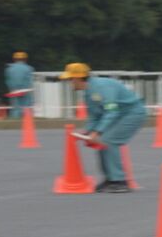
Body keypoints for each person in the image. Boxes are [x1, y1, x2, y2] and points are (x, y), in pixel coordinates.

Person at [59, 62, 147, 193]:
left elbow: (111, 111)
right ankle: (110, 179)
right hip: (119, 114)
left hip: (132, 113)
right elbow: (94, 116)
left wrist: (96, 132)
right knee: (100, 142)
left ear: (78, 78)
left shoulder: (101, 87)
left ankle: (120, 181)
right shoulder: (88, 92)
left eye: (70, 79)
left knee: (109, 141)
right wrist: (87, 132)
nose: (69, 82)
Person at [5, 51, 34, 118]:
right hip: (25, 89)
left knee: (16, 106)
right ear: (25, 59)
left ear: (14, 59)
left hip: (14, 90)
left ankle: (15, 119)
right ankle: (27, 119)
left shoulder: (9, 69)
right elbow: (30, 80)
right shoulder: (29, 68)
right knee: (26, 106)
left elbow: (8, 81)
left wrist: (11, 89)